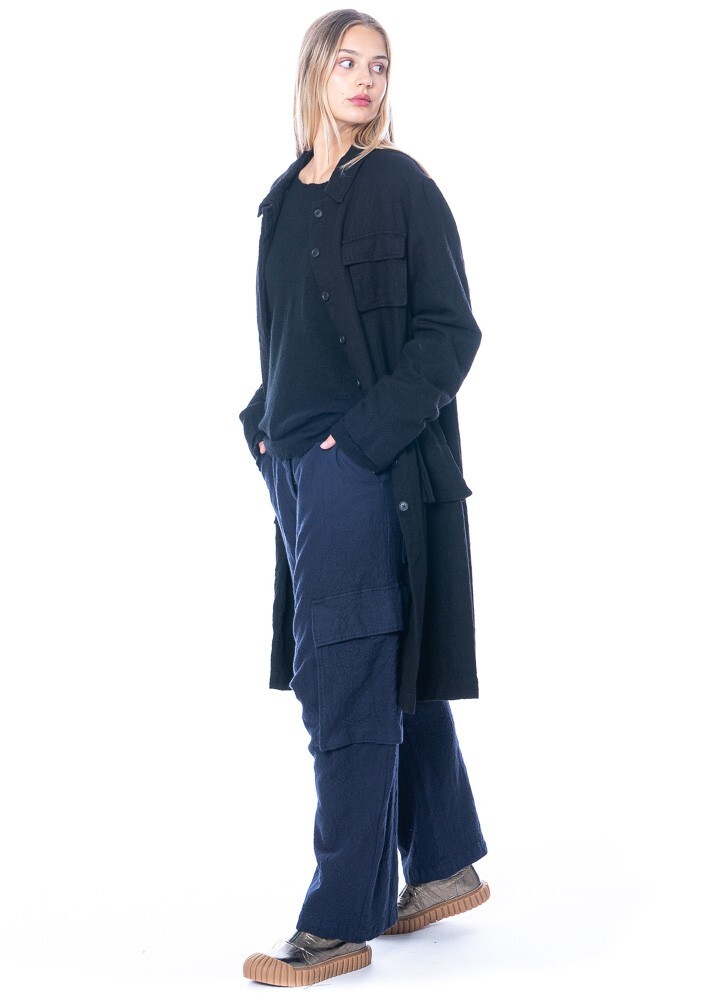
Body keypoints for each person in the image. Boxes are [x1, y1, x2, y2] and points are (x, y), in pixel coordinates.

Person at [239, 10, 490, 987]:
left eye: (378, 66)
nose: (365, 79)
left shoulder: (400, 185)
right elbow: (286, 338)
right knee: (384, 660)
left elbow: (451, 331)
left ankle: (338, 921)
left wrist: (358, 446)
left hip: (363, 468)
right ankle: (442, 862)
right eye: (347, 61)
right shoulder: (279, 201)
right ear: (315, 72)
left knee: (343, 677)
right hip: (299, 470)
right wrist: (266, 429)